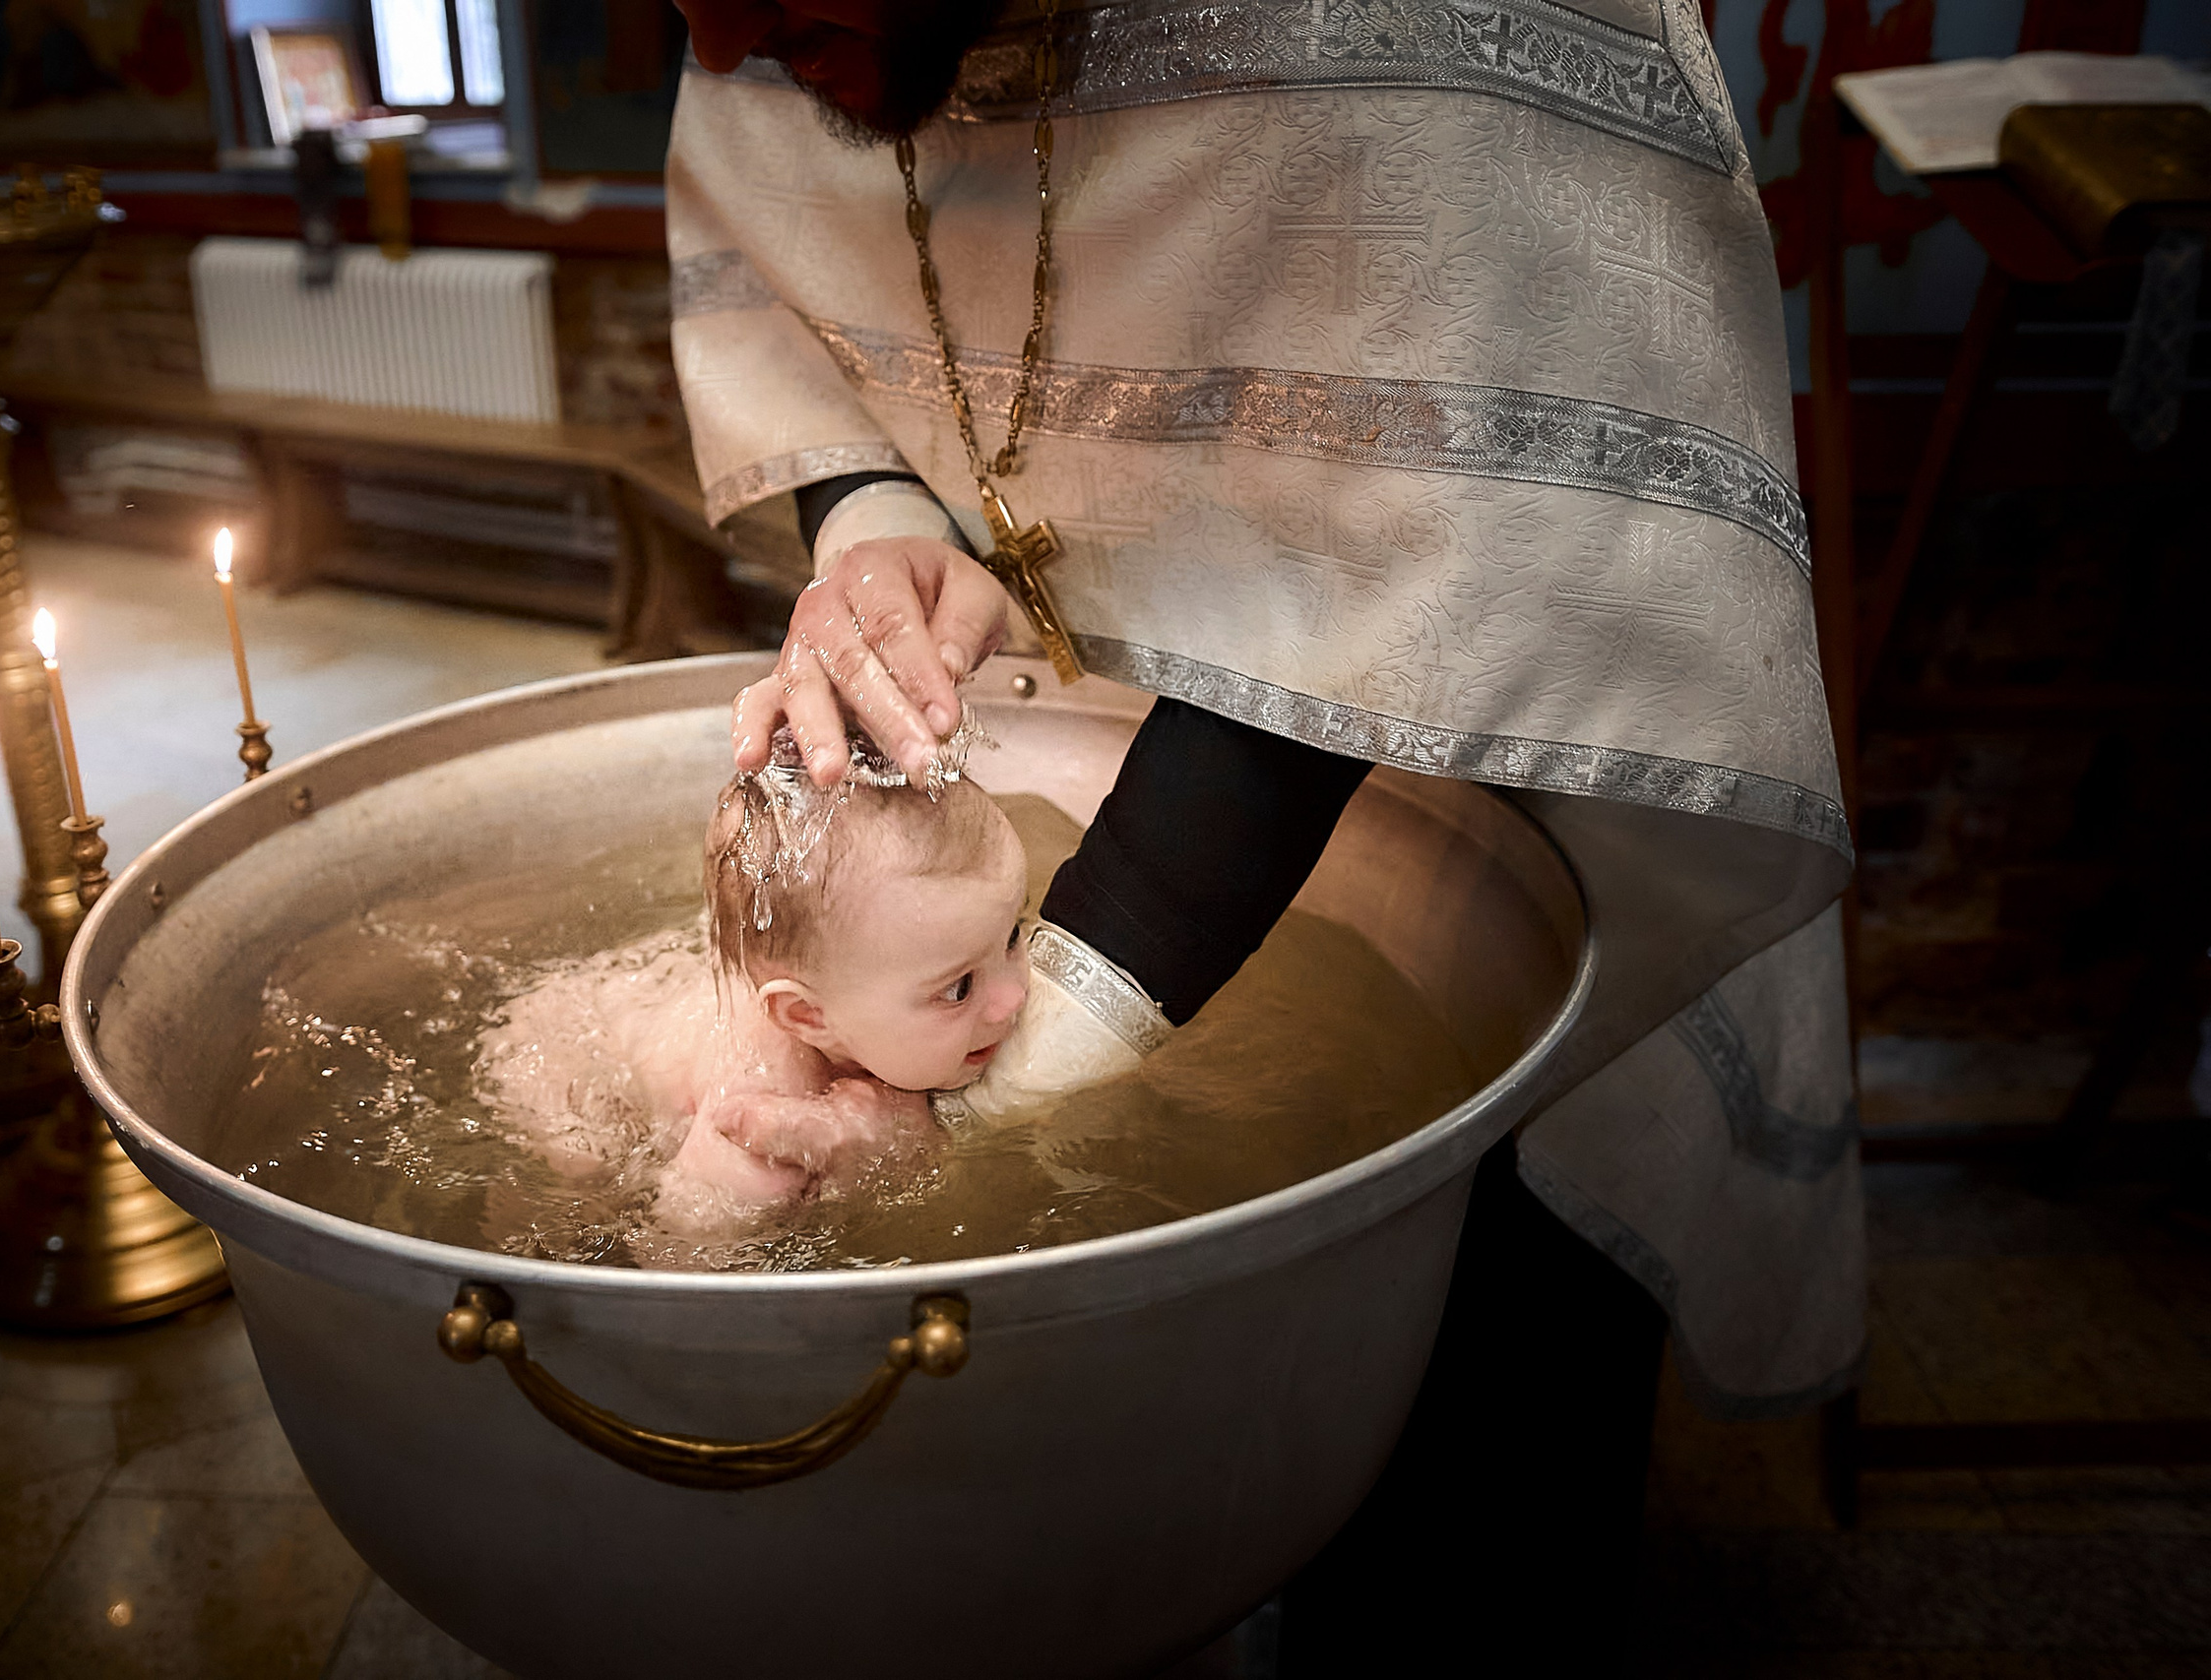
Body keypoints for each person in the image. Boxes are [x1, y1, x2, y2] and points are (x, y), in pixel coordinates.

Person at [664, 0, 1863, 1670]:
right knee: (1100, 1512)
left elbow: (1449, 498)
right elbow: (811, 265)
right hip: (1112, 808)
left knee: (1463, 1477)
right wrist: (881, 517)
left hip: (1503, 730)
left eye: (788, 5)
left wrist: (1038, 1059)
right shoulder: (744, 1049)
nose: (717, 54)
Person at [477, 737, 1029, 1237]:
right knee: (584, 1184)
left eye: (1012, 936)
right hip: (557, 1054)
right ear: (808, 1017)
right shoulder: (761, 1109)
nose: (1014, 998)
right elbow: (682, 1248)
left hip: (649, 995)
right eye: (958, 988)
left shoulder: (881, 984)